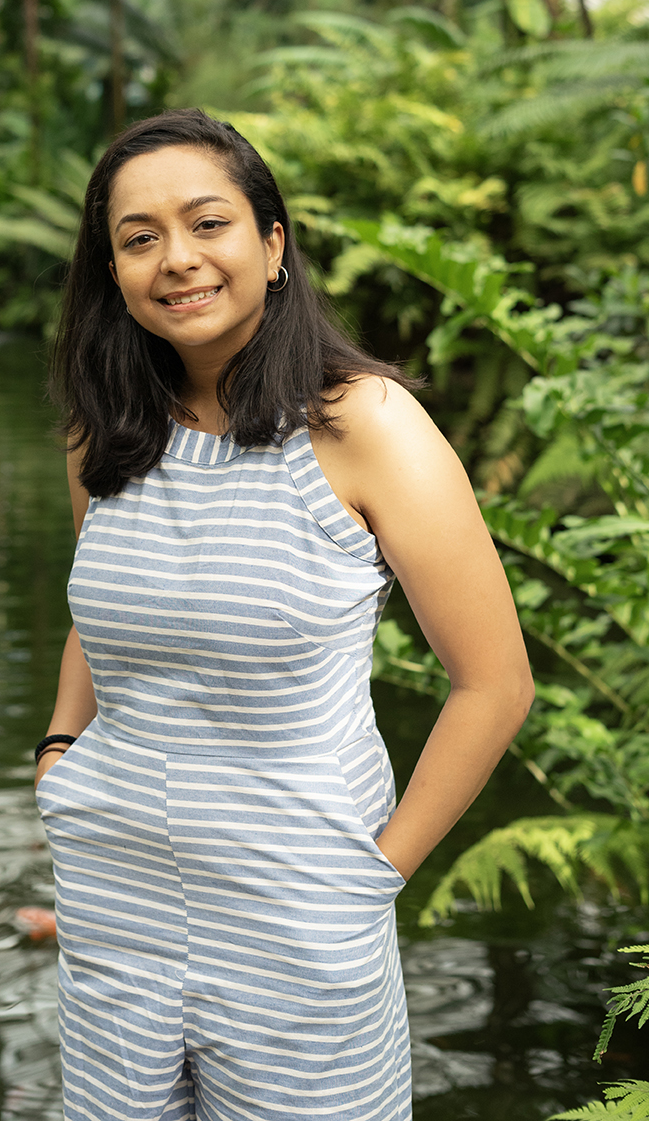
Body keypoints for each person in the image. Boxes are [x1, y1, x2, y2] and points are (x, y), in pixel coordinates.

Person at [33, 108, 534, 1121]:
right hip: (113, 900)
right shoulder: (104, 431)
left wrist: (370, 877)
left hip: (302, 919)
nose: (176, 259)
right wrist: (58, 749)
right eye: (139, 239)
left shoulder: (366, 427)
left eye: (207, 223)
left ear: (271, 245)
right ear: (114, 274)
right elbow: (102, 607)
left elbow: (495, 685)